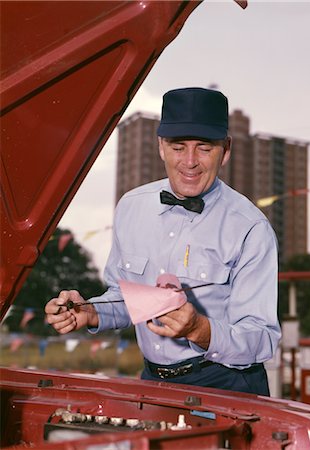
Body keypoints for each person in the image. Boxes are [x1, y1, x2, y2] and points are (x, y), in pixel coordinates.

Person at [45, 87, 281, 395]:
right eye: (178, 147)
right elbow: (126, 296)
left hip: (228, 385)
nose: (190, 162)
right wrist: (90, 312)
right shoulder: (130, 206)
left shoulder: (251, 228)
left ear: (226, 149)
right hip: (153, 383)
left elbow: (262, 338)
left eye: (205, 148)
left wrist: (201, 330)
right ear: (161, 147)